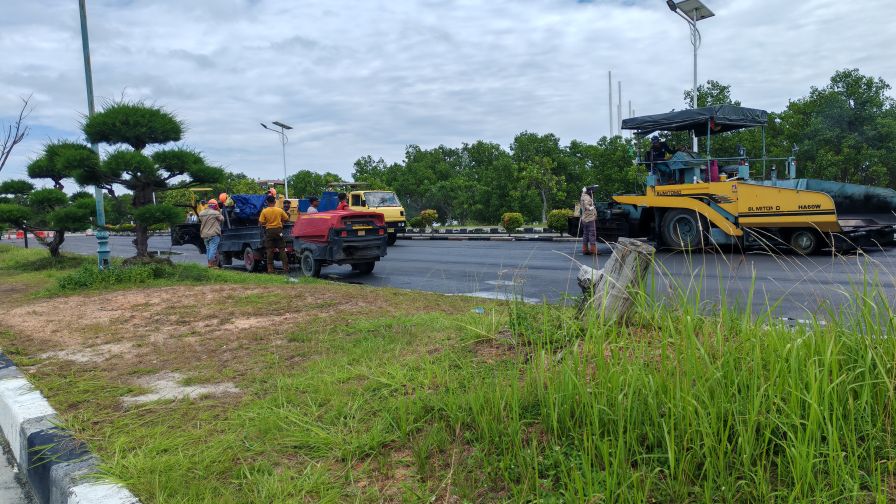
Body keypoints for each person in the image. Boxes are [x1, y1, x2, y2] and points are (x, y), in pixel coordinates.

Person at [258, 194, 290, 274]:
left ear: (267, 202)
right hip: (279, 231)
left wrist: (267, 223)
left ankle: (270, 269)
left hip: (269, 231)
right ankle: (285, 268)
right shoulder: (279, 210)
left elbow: (261, 222)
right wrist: (281, 222)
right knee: (282, 249)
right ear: (275, 202)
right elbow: (287, 218)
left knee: (269, 250)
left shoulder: (264, 211)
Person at [198, 199, 225, 268]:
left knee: (208, 249)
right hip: (213, 234)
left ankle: (209, 263)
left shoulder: (201, 213)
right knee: (213, 249)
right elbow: (222, 219)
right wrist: (219, 211)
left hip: (204, 234)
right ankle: (211, 264)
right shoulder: (215, 213)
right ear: (215, 206)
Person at [579, 186, 599, 256]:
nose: (593, 193)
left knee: (585, 234)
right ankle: (593, 250)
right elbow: (587, 206)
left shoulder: (583, 196)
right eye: (592, 192)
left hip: (584, 218)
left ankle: (585, 249)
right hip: (589, 218)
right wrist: (591, 208)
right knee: (592, 234)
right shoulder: (587, 197)